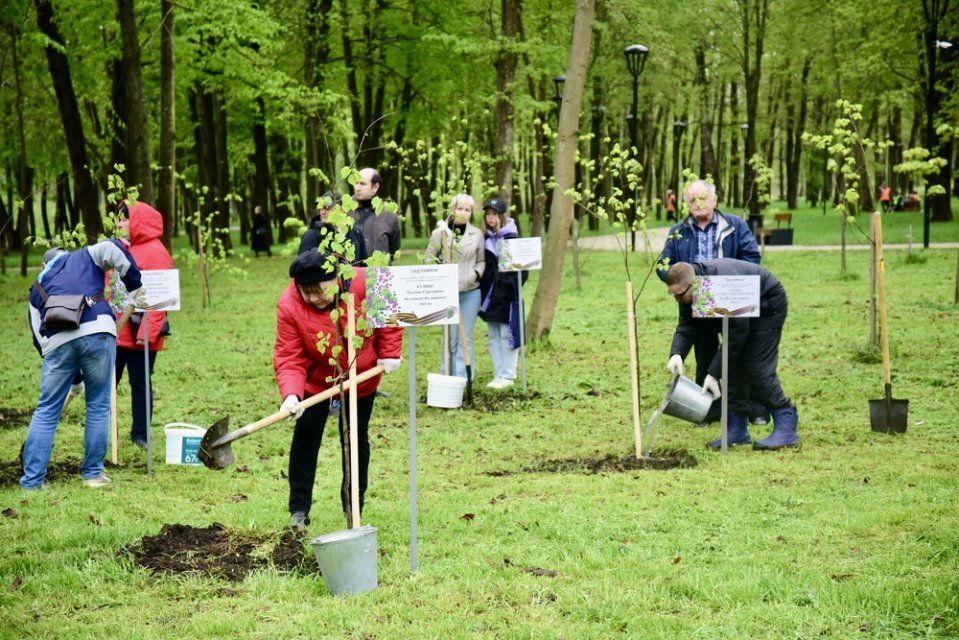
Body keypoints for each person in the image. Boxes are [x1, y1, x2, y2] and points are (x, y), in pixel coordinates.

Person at [274, 249, 404, 527]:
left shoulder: (366, 282)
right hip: (316, 380)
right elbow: (289, 355)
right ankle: (299, 510)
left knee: (355, 438)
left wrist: (389, 352)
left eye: (318, 291)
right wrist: (291, 394)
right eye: (305, 292)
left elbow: (388, 310)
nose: (312, 299)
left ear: (335, 279)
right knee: (306, 436)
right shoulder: (289, 305)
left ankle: (353, 506)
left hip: (362, 374)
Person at [21, 241, 145, 490]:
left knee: (46, 410)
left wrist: (70, 376)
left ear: (45, 264)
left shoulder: (36, 288)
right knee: (99, 405)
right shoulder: (85, 255)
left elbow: (38, 337)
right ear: (64, 255)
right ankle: (93, 475)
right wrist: (136, 287)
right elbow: (113, 248)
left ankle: (32, 481)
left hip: (57, 343)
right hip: (98, 330)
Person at [657, 179, 764, 424]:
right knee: (704, 353)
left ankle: (753, 408)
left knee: (740, 350)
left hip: (731, 296)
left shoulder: (735, 225)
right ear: (686, 204)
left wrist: (729, 282)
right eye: (692, 200)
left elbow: (751, 258)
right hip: (697, 297)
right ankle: (710, 408)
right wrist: (681, 282)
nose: (698, 203)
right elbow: (663, 266)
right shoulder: (678, 231)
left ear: (715, 200)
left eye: (703, 198)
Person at [664, 259, 799, 450]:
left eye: (678, 295)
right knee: (734, 367)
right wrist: (677, 354)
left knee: (756, 367)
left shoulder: (720, 285)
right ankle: (736, 428)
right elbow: (687, 326)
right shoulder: (690, 290)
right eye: (672, 294)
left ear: (693, 283)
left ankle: (786, 423)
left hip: (767, 303)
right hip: (741, 311)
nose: (676, 300)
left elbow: (736, 335)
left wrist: (713, 373)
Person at [112, 201, 174, 447]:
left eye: (124, 219)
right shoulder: (117, 247)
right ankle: (104, 431)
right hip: (116, 330)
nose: (119, 223)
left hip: (140, 333)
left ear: (136, 221)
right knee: (107, 382)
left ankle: (140, 434)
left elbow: (161, 296)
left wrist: (147, 332)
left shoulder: (156, 251)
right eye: (117, 219)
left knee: (140, 382)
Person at [424, 194, 485, 380]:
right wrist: (439, 275)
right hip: (447, 294)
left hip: (471, 293)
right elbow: (429, 259)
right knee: (450, 340)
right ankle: (447, 377)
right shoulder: (440, 233)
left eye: (468, 210)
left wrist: (475, 274)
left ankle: (465, 380)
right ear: (452, 209)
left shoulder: (476, 234)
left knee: (465, 338)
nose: (463, 213)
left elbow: (482, 261)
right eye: (460, 208)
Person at [478, 197, 526, 389]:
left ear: (502, 215)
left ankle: (508, 375)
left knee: (508, 336)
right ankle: (498, 374)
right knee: (493, 337)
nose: (490, 218)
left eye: (494, 214)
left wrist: (509, 287)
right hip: (489, 297)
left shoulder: (511, 238)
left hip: (507, 296)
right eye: (488, 214)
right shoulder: (487, 238)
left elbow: (523, 272)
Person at [349, 168, 400, 263]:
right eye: (356, 183)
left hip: (381, 274)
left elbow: (394, 251)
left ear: (375, 187)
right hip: (353, 274)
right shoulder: (345, 212)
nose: (357, 188)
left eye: (362, 184)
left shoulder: (389, 215)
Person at [298, 191, 366, 262]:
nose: (323, 212)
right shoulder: (311, 236)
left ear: (342, 209)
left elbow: (364, 265)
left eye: (327, 208)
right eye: (321, 207)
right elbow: (301, 267)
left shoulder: (356, 232)